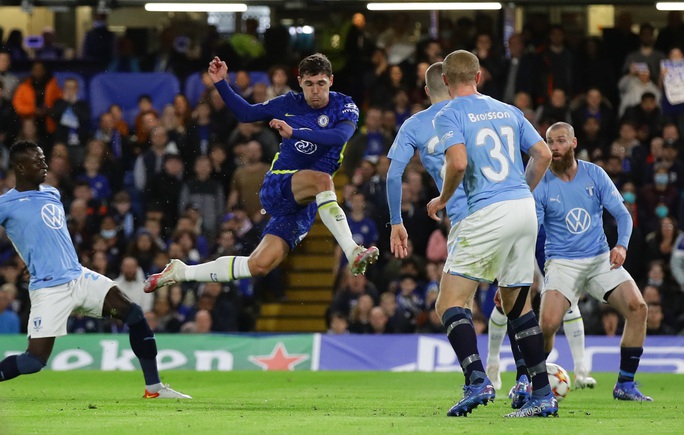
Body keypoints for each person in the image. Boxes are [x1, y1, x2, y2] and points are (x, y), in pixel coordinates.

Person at [143, 53, 378, 293]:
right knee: (322, 180)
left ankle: (181, 271)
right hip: (279, 184)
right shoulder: (288, 103)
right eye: (309, 84)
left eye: (321, 83)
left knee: (259, 265)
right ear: (300, 82)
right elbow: (246, 113)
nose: (315, 90)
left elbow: (340, 137)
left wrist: (294, 132)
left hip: (305, 202)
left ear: (331, 80)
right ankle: (352, 250)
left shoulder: (344, 106)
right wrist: (221, 83)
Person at [0, 141, 190, 399]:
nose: (44, 165)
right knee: (34, 361)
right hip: (49, 288)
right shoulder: (6, 204)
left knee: (134, 314)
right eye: (38, 161)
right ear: (20, 167)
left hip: (78, 276)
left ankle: (154, 388)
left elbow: (46, 235)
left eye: (44, 159)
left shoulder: (52, 193)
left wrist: (35, 258)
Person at [426, 50, 555, 418]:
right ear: (479, 76)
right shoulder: (509, 110)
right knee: (517, 304)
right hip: (523, 209)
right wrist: (522, 193)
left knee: (449, 301)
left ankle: (476, 380)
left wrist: (443, 197)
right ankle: (543, 394)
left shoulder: (449, 112)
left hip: (486, 211)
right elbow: (543, 154)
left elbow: (459, 162)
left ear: (446, 81)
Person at [536, 122, 652, 401]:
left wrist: (621, 246)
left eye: (560, 141)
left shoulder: (594, 174)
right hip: (562, 262)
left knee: (638, 308)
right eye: (550, 142)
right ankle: (534, 382)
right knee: (549, 323)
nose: (554, 148)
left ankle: (625, 383)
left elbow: (623, 215)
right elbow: (533, 231)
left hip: (600, 258)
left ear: (574, 143)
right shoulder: (541, 184)